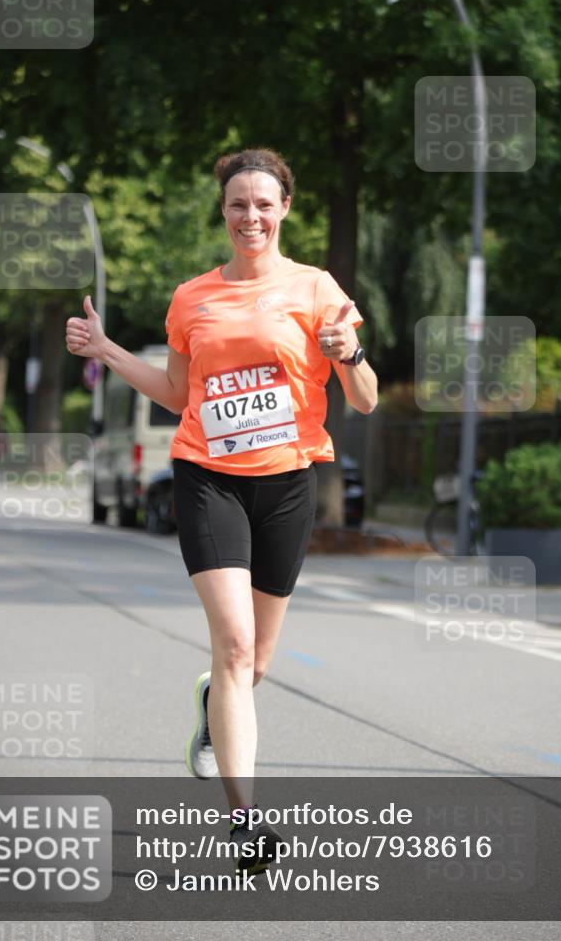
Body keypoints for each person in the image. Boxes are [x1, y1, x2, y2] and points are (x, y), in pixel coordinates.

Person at [66, 148, 378, 873]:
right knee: (235, 645)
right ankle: (245, 820)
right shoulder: (192, 298)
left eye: (264, 204)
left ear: (284, 209)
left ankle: (213, 709)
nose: (251, 216)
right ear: (224, 210)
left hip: (287, 483)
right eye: (238, 204)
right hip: (207, 477)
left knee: (254, 662)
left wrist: (351, 352)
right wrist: (107, 349)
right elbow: (178, 396)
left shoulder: (317, 289)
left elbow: (362, 401)